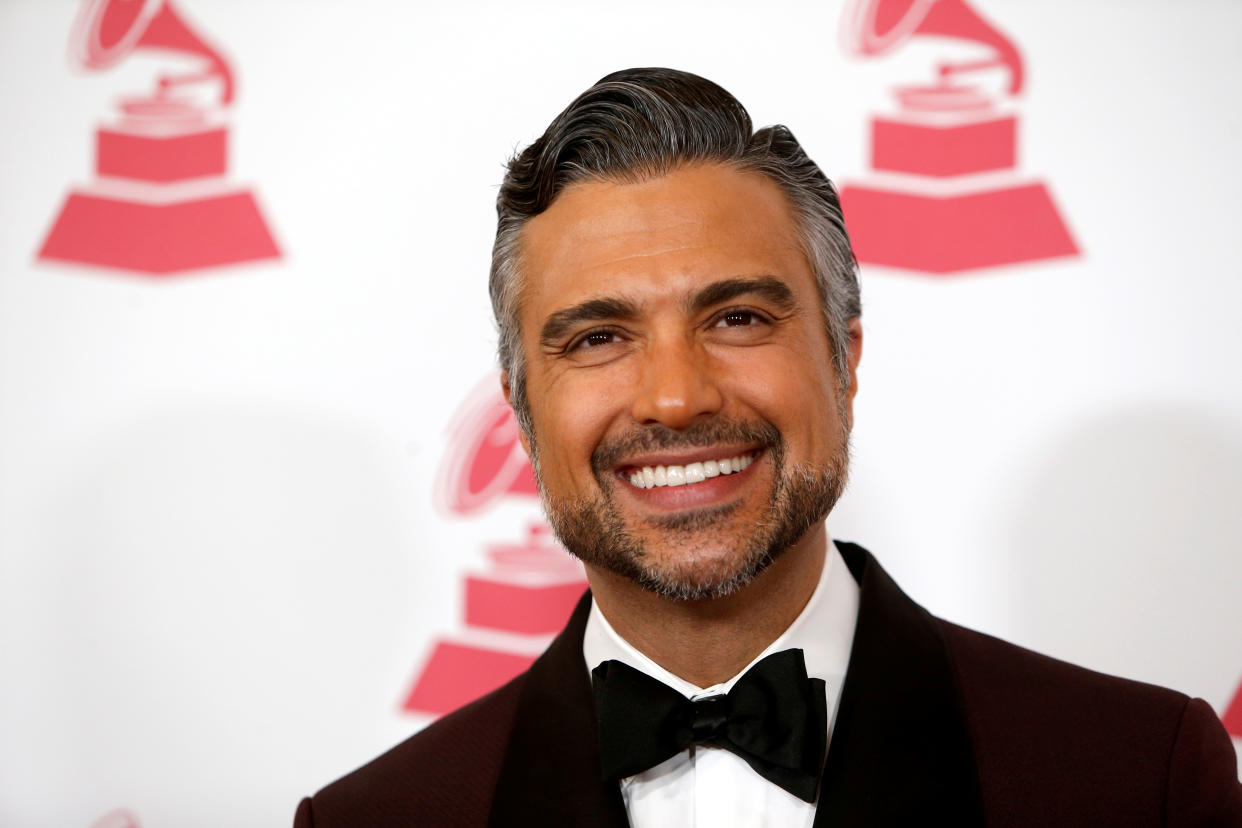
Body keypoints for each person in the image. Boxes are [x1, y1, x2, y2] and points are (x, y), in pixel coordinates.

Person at [294, 68, 1242, 826]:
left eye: (738, 317)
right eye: (598, 338)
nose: (674, 396)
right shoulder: (376, 819)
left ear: (845, 360)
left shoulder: (1135, 779)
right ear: (524, 410)